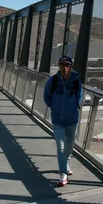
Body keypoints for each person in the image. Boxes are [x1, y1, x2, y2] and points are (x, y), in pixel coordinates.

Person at [43, 56, 83, 186]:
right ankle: (63, 174)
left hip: (72, 119)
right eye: (62, 65)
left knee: (70, 146)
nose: (65, 68)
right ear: (59, 66)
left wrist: (75, 106)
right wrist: (54, 108)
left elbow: (80, 96)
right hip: (57, 119)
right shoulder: (53, 81)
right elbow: (46, 96)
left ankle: (65, 164)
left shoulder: (76, 81)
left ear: (71, 67)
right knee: (60, 148)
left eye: (67, 66)